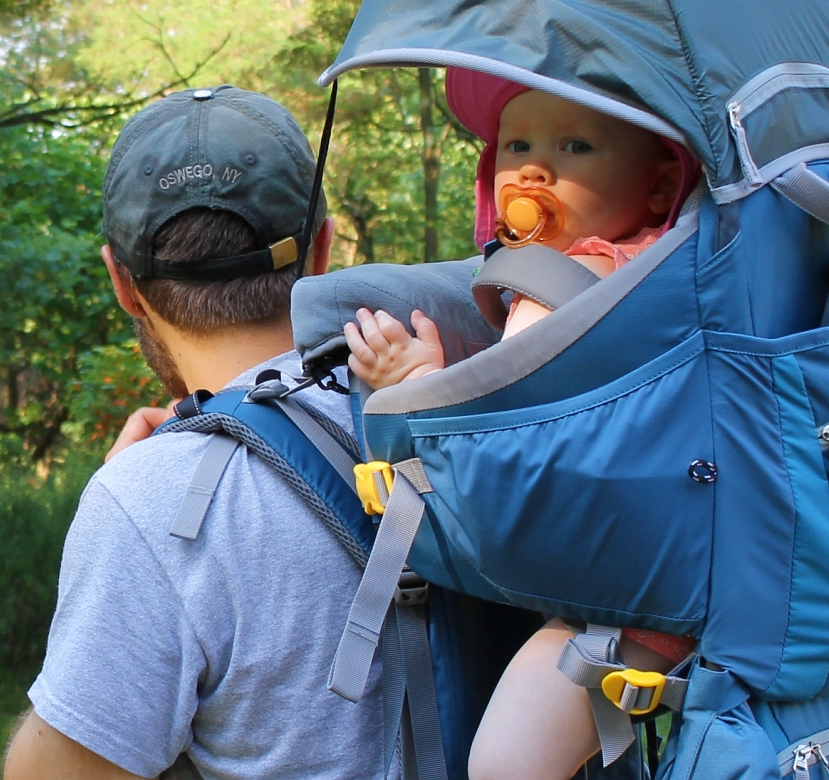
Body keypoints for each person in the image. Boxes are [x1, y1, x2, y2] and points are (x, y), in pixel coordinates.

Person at [4, 86, 391, 780]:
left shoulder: (146, 504)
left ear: (123, 282)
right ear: (322, 249)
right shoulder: (435, 395)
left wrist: (129, 505)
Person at [343, 69, 699, 780]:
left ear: (660, 187)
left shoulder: (564, 283)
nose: (535, 167)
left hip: (632, 600)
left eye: (575, 145)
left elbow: (503, 433)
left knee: (507, 761)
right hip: (675, 558)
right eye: (517, 146)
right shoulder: (673, 271)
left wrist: (416, 380)